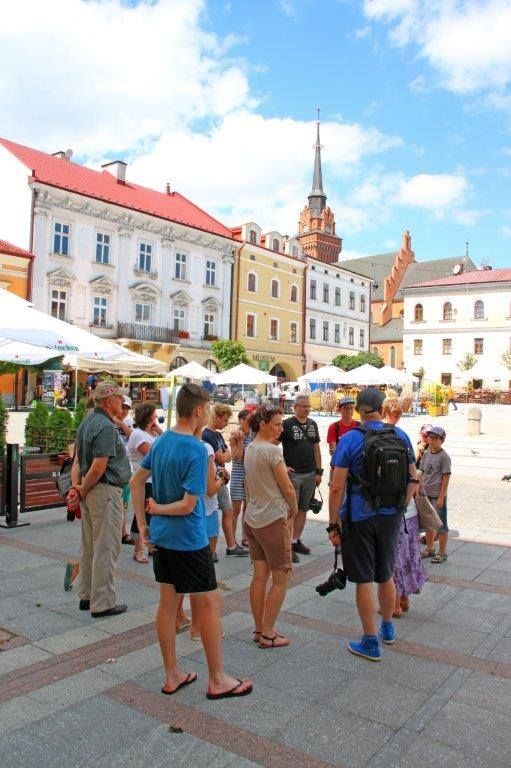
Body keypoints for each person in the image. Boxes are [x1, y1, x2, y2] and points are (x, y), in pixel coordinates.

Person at [130, 383, 252, 699]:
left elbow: (135, 481)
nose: (209, 414)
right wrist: (155, 508)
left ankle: (172, 674)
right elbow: (187, 504)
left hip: (161, 537)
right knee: (209, 602)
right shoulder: (197, 450)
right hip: (188, 538)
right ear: (198, 410)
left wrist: (144, 525)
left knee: (168, 603)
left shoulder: (161, 441)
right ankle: (218, 679)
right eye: (209, 408)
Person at [328, 387, 417, 661]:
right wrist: (402, 504)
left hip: (359, 517)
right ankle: (387, 629)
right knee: (385, 574)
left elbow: (336, 486)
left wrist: (333, 524)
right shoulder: (400, 435)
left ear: (358, 410)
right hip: (391, 515)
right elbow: (414, 478)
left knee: (363, 579)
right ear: (382, 407)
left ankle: (370, 641)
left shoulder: (351, 439)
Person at [70, 381, 132, 617]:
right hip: (104, 491)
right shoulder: (105, 426)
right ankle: (103, 602)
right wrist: (83, 489)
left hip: (92, 490)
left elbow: (78, 461)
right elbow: (98, 466)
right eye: (119, 398)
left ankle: (86, 596)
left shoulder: (87, 421)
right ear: (109, 401)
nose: (122, 402)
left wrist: (79, 488)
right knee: (106, 548)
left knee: (89, 547)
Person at [244, 405, 298, 648]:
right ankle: (268, 633)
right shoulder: (272, 451)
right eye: (276, 424)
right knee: (281, 577)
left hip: (253, 518)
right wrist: (294, 508)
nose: (281, 428)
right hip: (272, 519)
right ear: (263, 423)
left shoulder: (251, 448)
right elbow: (287, 487)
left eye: (281, 423)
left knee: (259, 577)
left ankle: (259, 628)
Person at [382, 400, 427, 616]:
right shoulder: (403, 436)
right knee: (408, 554)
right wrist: (408, 498)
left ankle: (395, 605)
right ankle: (404, 598)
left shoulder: (376, 435)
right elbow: (414, 473)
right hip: (408, 509)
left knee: (393, 557)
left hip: (390, 509)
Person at [280, 394, 322, 562]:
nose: (307, 409)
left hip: (310, 473)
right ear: (295, 407)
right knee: (292, 510)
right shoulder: (287, 425)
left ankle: (296, 540)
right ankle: (287, 545)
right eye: (303, 406)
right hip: (294, 475)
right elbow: (274, 445)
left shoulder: (313, 424)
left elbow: (316, 449)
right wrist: (282, 466)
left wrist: (319, 471)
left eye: (308, 406)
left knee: (304, 509)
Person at [202, 405, 248, 557]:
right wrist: (225, 455)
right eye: (225, 420)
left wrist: (227, 453)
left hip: (221, 476)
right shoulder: (207, 434)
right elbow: (222, 457)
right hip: (214, 477)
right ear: (216, 417)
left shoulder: (218, 435)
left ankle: (230, 545)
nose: (227, 423)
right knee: (214, 512)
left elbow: (231, 455)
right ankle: (213, 549)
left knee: (227, 511)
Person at [126, 403, 162, 564]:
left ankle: (149, 545)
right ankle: (138, 549)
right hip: (143, 480)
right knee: (142, 514)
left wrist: (159, 431)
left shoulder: (151, 434)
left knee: (152, 514)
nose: (156, 417)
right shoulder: (139, 435)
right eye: (154, 414)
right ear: (148, 416)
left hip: (153, 480)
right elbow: (153, 456)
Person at [419, 426, 451, 563]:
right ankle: (430, 548)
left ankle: (442, 552)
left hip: (437, 494)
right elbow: (421, 470)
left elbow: (446, 478)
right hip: (425, 493)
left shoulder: (444, 457)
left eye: (435, 438)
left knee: (441, 525)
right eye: (430, 438)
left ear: (441, 440)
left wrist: (441, 497)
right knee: (428, 523)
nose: (431, 441)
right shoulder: (426, 453)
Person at [229, 410, 253, 547]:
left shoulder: (254, 435)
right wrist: (240, 441)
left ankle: (245, 537)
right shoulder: (235, 436)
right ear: (241, 420)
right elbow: (237, 457)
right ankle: (232, 539)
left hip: (250, 475)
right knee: (235, 509)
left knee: (248, 508)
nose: (251, 422)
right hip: (238, 475)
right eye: (248, 419)